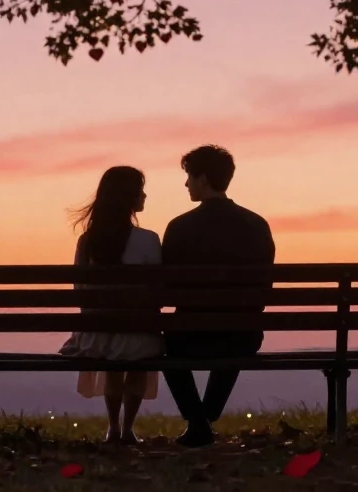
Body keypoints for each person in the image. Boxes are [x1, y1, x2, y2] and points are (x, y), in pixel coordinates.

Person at [161, 145, 276, 448]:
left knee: (166, 346)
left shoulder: (179, 227)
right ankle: (205, 419)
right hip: (243, 336)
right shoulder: (256, 224)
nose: (186, 184)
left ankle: (198, 422)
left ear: (202, 179)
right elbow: (263, 289)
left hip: (188, 337)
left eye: (188, 177)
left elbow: (167, 290)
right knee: (237, 330)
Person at [58, 166, 163, 444]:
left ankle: (113, 427)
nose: (145, 194)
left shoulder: (88, 241)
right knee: (138, 352)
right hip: (139, 338)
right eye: (140, 189)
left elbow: (79, 292)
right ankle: (128, 429)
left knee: (114, 353)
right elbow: (158, 292)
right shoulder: (149, 240)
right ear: (128, 197)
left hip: (97, 338)